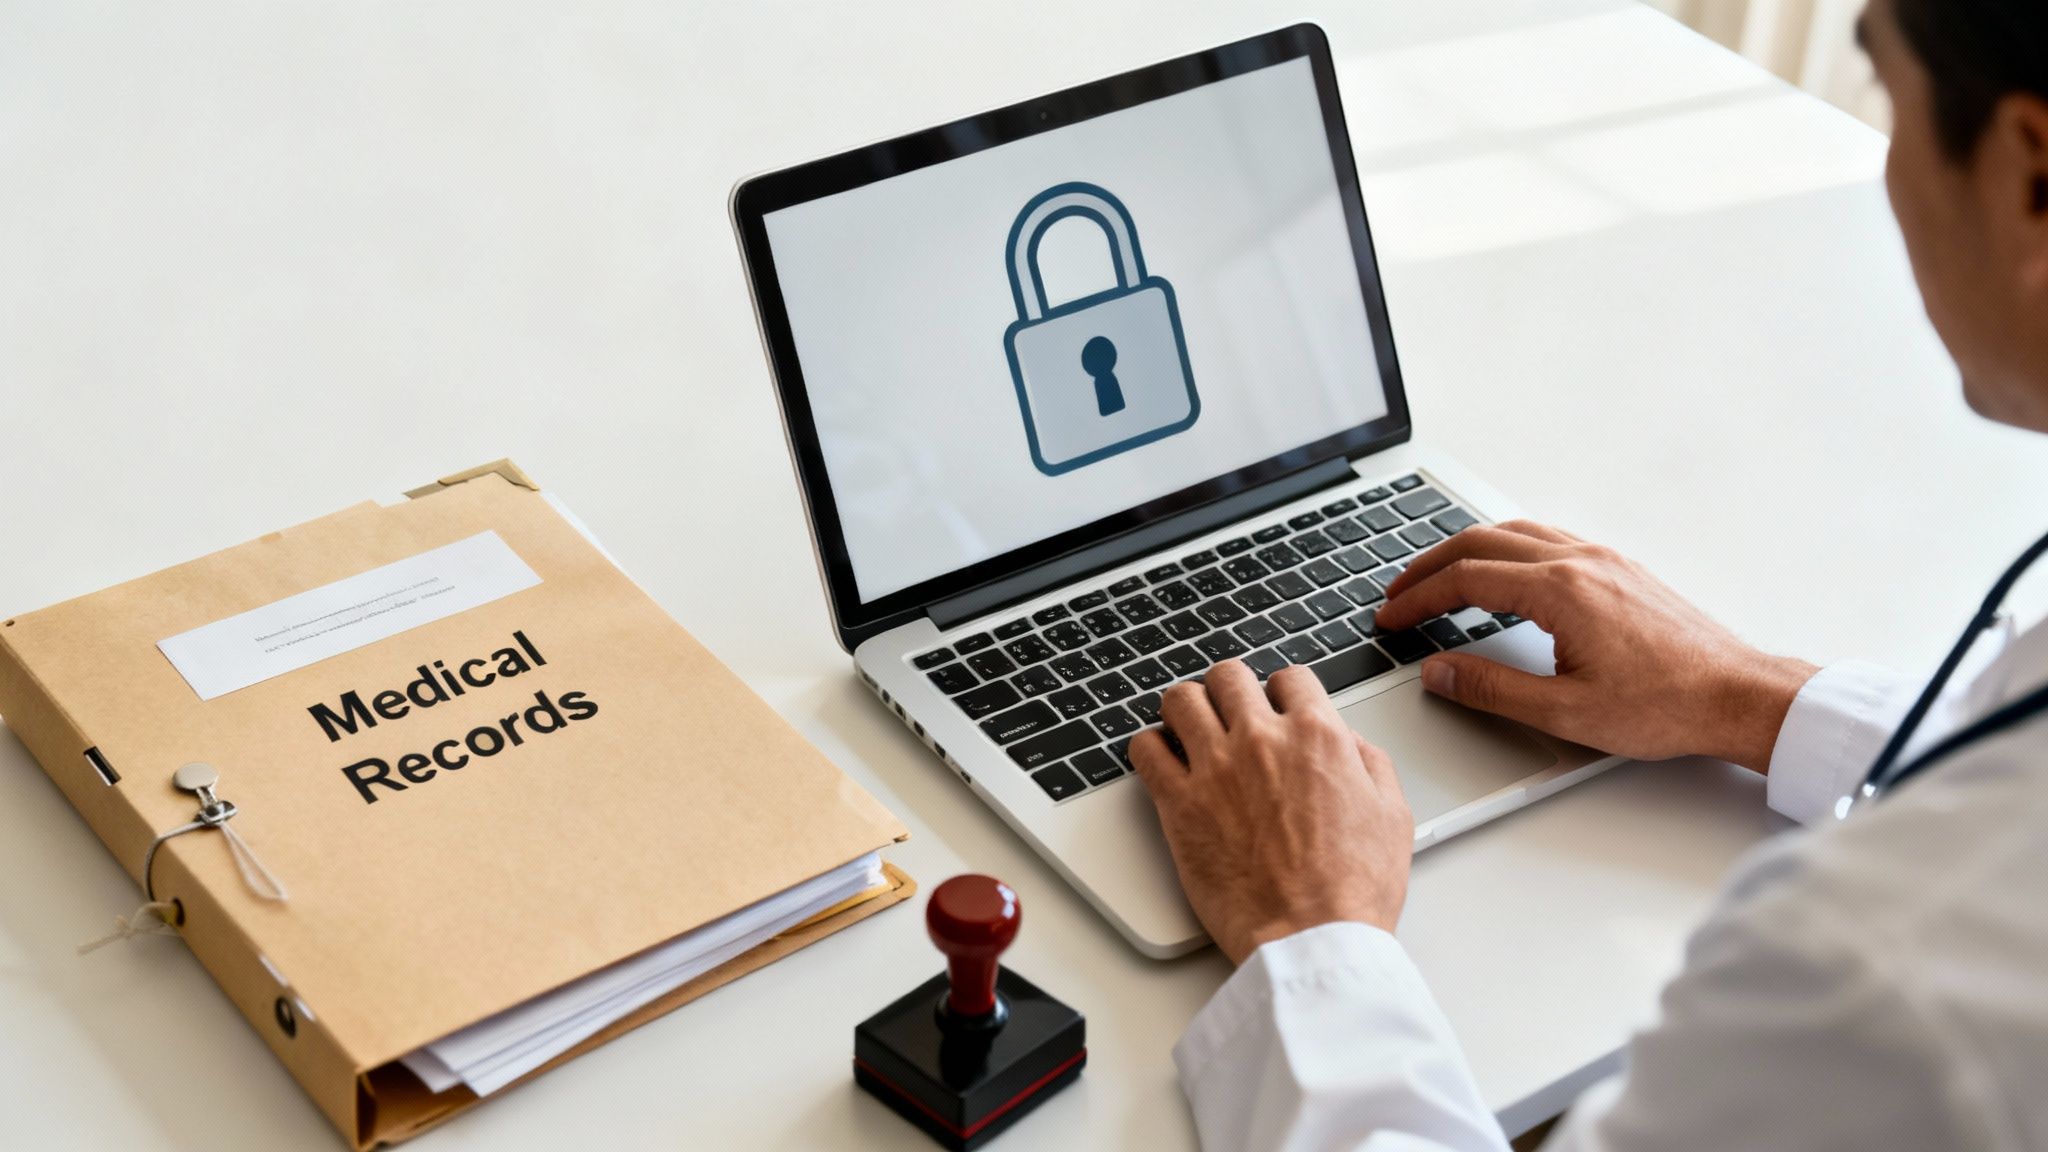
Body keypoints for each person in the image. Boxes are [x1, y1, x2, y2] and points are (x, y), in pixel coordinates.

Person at [1129, 1, 2048, 1148]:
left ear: (2026, 170)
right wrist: (1753, 697)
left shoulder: (1879, 988)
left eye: (1885, 99)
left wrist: (1309, 932)